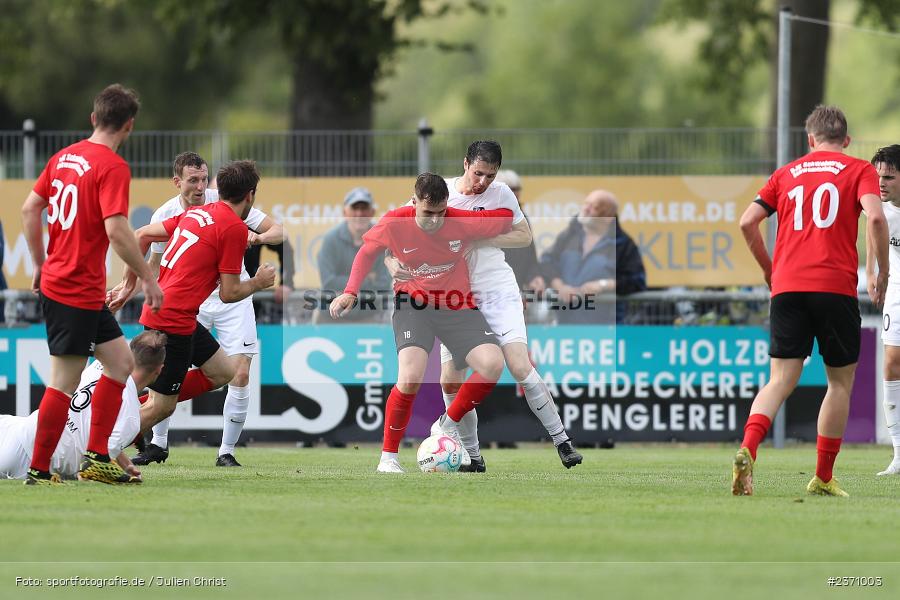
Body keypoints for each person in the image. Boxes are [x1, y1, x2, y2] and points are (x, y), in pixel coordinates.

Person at [387, 143, 582, 471]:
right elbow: (399, 232)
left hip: (496, 288)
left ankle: (562, 440)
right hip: (457, 293)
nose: (482, 182)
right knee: (451, 380)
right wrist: (392, 262)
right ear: (465, 164)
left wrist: (479, 238)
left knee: (519, 365)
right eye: (478, 173)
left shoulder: (503, 194)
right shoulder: (440, 192)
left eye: (489, 176)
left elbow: (524, 236)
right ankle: (474, 457)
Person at [732, 105, 889, 497]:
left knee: (780, 379)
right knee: (839, 382)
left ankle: (748, 450)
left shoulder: (785, 173)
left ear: (810, 140)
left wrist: (770, 270)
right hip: (833, 287)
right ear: (847, 141)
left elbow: (747, 221)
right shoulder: (858, 170)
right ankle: (822, 476)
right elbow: (874, 218)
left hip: (787, 287)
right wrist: (879, 271)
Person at [20, 84, 164, 485]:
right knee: (64, 381)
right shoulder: (112, 166)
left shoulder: (64, 157)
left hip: (71, 285)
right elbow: (117, 230)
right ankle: (38, 468)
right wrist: (148, 279)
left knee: (121, 363)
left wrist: (39, 263)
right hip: (73, 289)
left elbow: (31, 208)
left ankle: (98, 458)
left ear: (93, 118)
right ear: (130, 126)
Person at [330, 173, 512, 473]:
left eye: (441, 212)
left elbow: (505, 216)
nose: (436, 220)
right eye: (428, 213)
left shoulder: (458, 219)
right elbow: (366, 253)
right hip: (414, 305)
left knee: (493, 365)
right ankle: (388, 458)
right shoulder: (394, 221)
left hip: (457, 305)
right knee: (411, 376)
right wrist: (350, 292)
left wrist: (498, 199)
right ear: (413, 202)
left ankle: (446, 424)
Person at [109, 160, 277, 452]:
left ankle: (141, 403)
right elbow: (229, 292)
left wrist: (127, 284)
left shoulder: (197, 213)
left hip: (175, 315)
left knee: (224, 372)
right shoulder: (234, 229)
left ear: (217, 188)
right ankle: (98, 450)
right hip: (172, 321)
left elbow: (141, 235)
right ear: (250, 195)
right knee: (161, 408)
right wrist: (259, 282)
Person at [0, 331, 167, 482]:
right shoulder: (131, 418)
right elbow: (94, 463)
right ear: (160, 369)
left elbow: (88, 426)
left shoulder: (103, 365)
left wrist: (124, 463)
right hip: (28, 462)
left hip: (14, 429)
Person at [533, 190, 646, 324]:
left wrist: (603, 285)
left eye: (595, 207)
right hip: (564, 325)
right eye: (586, 204)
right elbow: (547, 261)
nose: (586, 209)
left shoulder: (622, 244)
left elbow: (636, 281)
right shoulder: (569, 236)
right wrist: (560, 286)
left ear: (608, 217)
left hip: (605, 328)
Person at [317, 187, 391, 321]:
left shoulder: (382, 238)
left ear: (372, 212)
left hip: (371, 313)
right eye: (354, 209)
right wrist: (368, 279)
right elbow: (328, 282)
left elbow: (384, 283)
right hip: (333, 315)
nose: (359, 213)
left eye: (364, 209)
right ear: (345, 212)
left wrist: (346, 283)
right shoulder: (330, 240)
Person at [871, 144, 900, 476]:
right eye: (878, 175)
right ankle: (898, 454)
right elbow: (872, 228)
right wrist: (872, 272)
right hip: (896, 288)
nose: (881, 183)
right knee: (892, 362)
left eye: (889, 177)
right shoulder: (878, 207)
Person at [493, 170, 542, 295]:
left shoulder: (521, 217)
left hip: (515, 292)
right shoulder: (486, 217)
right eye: (509, 189)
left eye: (516, 189)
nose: (514, 193)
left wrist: (533, 277)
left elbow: (530, 254)